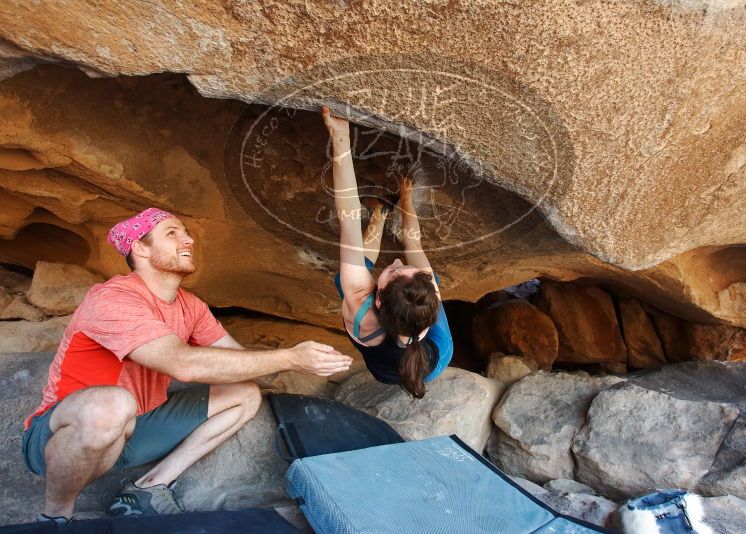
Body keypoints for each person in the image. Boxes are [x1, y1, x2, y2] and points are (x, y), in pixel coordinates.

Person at [21, 207, 352, 524]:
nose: (189, 240)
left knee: (245, 393)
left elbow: (237, 357)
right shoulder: (113, 298)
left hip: (140, 425)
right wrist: (289, 357)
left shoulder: (190, 306)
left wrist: (300, 363)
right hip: (66, 435)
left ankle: (148, 487)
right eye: (172, 233)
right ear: (141, 248)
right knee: (113, 404)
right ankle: (56, 514)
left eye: (187, 233)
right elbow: (182, 365)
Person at [323, 107, 453, 399]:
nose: (396, 261)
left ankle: (379, 217)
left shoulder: (360, 308)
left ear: (376, 299)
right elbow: (412, 244)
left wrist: (341, 139)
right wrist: (407, 199)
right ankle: (381, 215)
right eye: (404, 268)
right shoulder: (425, 285)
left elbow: (349, 217)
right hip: (423, 355)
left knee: (343, 280)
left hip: (398, 366)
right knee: (424, 291)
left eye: (394, 271)